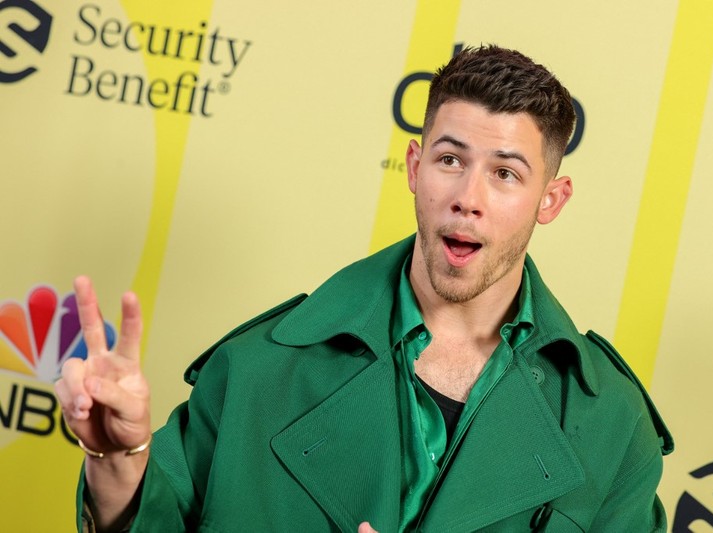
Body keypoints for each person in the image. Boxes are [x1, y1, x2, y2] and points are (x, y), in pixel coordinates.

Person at [55, 45, 673, 532]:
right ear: (414, 166)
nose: (468, 198)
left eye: (506, 174)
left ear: (551, 200)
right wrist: (119, 458)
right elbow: (149, 521)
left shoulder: (614, 427)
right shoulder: (259, 368)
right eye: (450, 160)